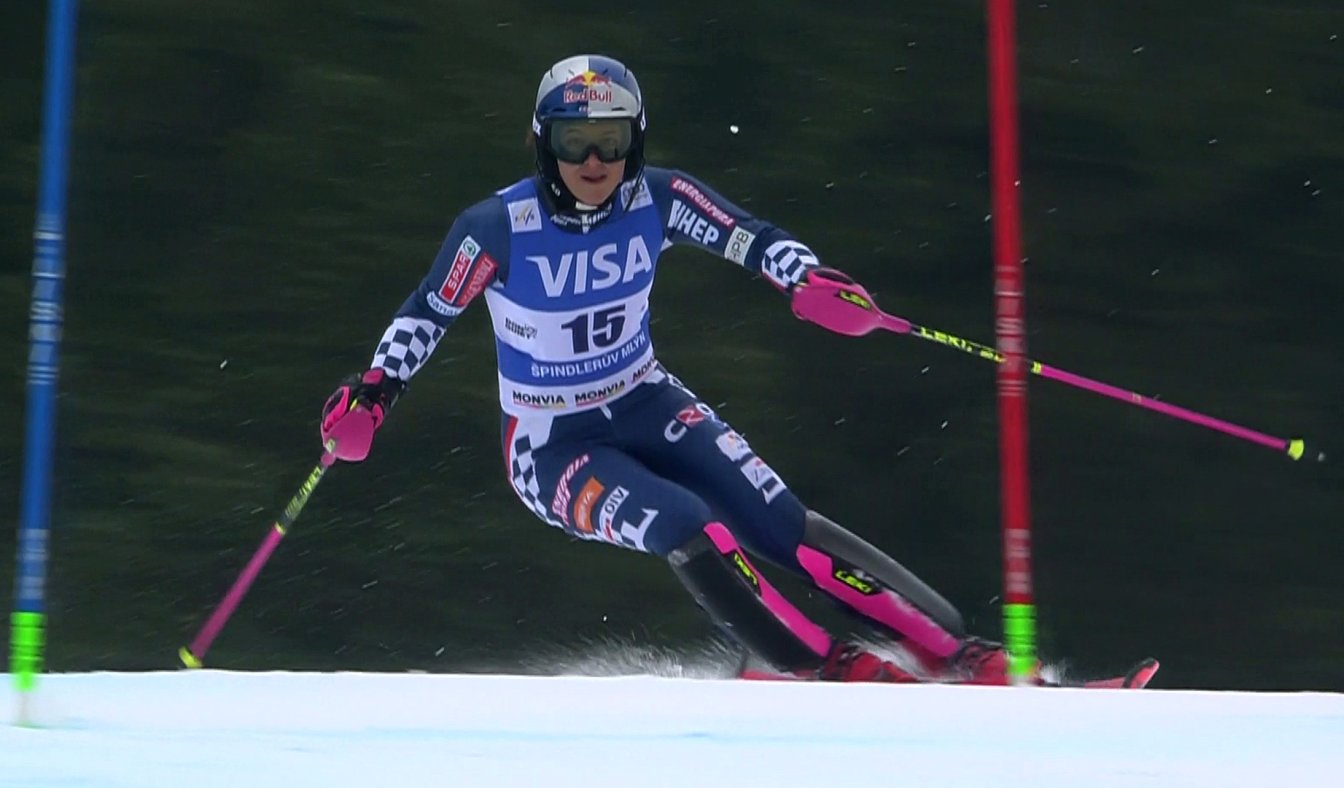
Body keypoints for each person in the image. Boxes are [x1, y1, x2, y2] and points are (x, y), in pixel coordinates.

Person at [319, 54, 1029, 684]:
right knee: (685, 523)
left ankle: (954, 651)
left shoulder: (658, 198)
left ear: (634, 142)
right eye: (572, 141)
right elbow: (428, 312)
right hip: (551, 444)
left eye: (610, 141)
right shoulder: (497, 228)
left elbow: (749, 237)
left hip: (646, 399)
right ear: (541, 144)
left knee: (776, 519)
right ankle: (817, 664)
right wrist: (374, 394)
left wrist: (806, 280)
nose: (592, 162)